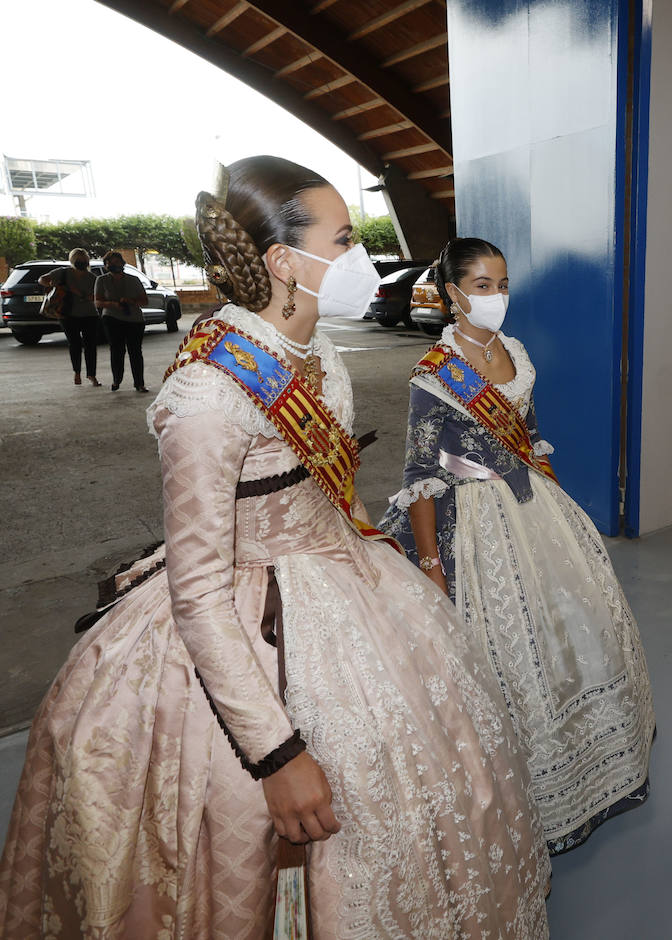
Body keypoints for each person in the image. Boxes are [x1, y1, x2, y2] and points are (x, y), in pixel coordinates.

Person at [0, 157, 550, 938]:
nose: (362, 256)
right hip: (240, 624)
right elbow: (198, 594)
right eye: (346, 238)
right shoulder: (208, 396)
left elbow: (336, 492)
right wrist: (277, 754)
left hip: (346, 581)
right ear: (286, 262)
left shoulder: (322, 355)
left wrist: (385, 558)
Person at [379, 237, 655, 855]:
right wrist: (430, 564)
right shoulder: (433, 375)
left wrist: (564, 512)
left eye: (502, 284)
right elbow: (419, 475)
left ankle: (590, 765)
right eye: (481, 286)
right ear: (452, 296)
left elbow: (530, 436)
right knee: (497, 648)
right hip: (471, 520)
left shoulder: (518, 352)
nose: (496, 296)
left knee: (570, 623)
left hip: (534, 509)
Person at [37, 249, 101, 386]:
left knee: (90, 345)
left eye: (84, 260)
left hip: (89, 314)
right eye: (78, 260)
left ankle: (91, 374)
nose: (82, 262)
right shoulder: (63, 273)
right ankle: (77, 372)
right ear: (72, 260)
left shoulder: (92, 277)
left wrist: (90, 297)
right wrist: (55, 285)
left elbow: (98, 296)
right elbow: (42, 279)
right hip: (67, 314)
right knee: (75, 344)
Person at [94, 251, 149, 392]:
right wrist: (113, 304)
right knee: (116, 350)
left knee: (135, 351)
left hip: (134, 319)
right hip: (112, 318)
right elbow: (98, 302)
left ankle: (139, 383)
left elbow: (144, 301)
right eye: (110, 263)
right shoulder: (101, 280)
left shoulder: (134, 280)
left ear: (123, 263)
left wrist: (131, 301)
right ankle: (116, 380)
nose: (114, 265)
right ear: (106, 265)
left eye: (117, 262)